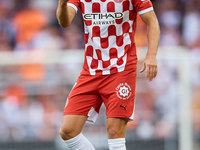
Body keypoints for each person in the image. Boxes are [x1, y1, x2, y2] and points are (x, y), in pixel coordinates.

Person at [56, 0, 160, 149]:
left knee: (114, 132)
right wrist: (62, 3)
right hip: (91, 70)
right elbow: (64, 22)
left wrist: (151, 55)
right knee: (68, 131)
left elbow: (152, 21)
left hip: (121, 69)